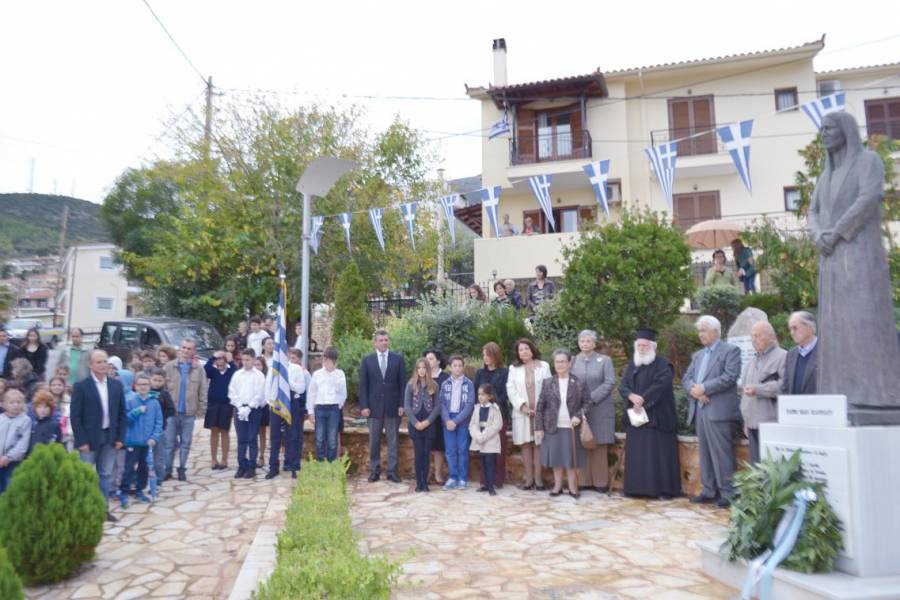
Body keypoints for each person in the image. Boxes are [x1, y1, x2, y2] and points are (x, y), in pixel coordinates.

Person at [683, 316, 741, 508]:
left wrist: (704, 388)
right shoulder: (698, 355)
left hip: (719, 411)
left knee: (722, 453)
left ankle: (728, 493)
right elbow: (686, 378)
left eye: (704, 330)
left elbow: (730, 377)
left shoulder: (730, 351)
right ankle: (709, 490)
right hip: (700, 409)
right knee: (705, 452)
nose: (700, 334)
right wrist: (695, 391)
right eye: (699, 331)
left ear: (716, 331)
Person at [619, 329, 682, 499]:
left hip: (658, 417)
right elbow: (623, 385)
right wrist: (631, 396)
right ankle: (635, 489)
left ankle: (663, 491)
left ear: (653, 347)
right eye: (639, 345)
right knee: (638, 454)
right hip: (636, 415)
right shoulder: (633, 365)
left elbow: (661, 385)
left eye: (645, 345)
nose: (641, 348)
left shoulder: (663, 365)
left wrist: (643, 399)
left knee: (658, 455)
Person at [71, 350, 127, 522]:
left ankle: (103, 510)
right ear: (90, 365)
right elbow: (75, 416)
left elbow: (121, 414)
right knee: (86, 475)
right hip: (88, 439)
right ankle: (85, 511)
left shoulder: (116, 385)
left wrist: (120, 438)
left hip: (109, 437)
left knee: (106, 474)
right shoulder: (81, 386)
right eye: (99, 362)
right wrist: (81, 441)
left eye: (105, 361)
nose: (103, 365)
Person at [534, 349, 586, 498]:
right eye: (557, 362)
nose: (560, 364)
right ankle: (557, 486)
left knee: (571, 458)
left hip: (572, 427)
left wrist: (578, 416)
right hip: (552, 426)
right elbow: (540, 406)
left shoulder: (579, 382)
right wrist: (539, 427)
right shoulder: (548, 382)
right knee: (556, 458)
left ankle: (572, 487)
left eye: (563, 361)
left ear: (569, 363)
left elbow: (587, 403)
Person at [570, 330, 616, 493]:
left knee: (598, 445)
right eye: (582, 341)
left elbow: (609, 382)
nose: (585, 344)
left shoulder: (605, 360)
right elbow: (570, 381)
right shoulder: (574, 360)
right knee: (583, 442)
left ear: (595, 344)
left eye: (588, 341)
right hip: (580, 408)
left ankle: (600, 482)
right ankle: (584, 481)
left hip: (599, 407)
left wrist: (591, 398)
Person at [359, 330, 406, 483]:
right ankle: (375, 471)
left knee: (393, 441)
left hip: (393, 407)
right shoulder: (367, 360)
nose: (384, 342)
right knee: (374, 441)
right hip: (373, 409)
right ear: (375, 343)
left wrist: (402, 404)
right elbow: (363, 386)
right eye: (381, 340)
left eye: (386, 340)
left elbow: (402, 384)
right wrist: (364, 406)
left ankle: (392, 472)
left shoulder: (398, 359)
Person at [507, 338, 551, 490]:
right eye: (521, 350)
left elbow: (548, 387)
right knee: (525, 444)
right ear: (518, 353)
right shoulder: (513, 368)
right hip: (522, 413)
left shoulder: (543, 366)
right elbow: (510, 389)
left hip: (540, 412)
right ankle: (528, 479)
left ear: (532, 350)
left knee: (538, 444)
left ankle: (538, 480)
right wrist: (523, 406)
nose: (524, 352)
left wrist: (540, 408)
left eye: (526, 348)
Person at [740, 321, 786, 464]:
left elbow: (785, 386)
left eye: (758, 336)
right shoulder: (750, 363)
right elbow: (743, 395)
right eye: (752, 336)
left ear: (771, 336)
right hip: (752, 426)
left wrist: (759, 390)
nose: (754, 340)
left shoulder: (783, 357)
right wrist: (746, 421)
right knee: (756, 468)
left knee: (772, 469)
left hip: (772, 425)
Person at [163, 339, 208, 482]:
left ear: (193, 351)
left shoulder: (198, 369)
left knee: (185, 443)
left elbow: (203, 389)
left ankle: (182, 468)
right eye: (183, 347)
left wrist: (202, 408)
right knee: (169, 443)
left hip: (189, 413)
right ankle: (167, 470)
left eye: (189, 348)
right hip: (171, 413)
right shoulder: (169, 367)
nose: (185, 351)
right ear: (179, 349)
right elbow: (162, 389)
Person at [119, 374, 163, 505]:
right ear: (135, 386)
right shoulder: (130, 400)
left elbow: (159, 422)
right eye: (140, 384)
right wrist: (136, 411)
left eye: (145, 384)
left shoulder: (154, 403)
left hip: (147, 443)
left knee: (143, 469)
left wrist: (154, 437)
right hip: (132, 441)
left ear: (149, 386)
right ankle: (124, 491)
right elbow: (125, 420)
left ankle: (139, 490)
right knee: (128, 468)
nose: (143, 387)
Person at [473, 342, 510, 489]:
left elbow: (505, 394)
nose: (485, 358)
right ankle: (485, 482)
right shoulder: (480, 373)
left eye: (488, 355)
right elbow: (476, 393)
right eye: (484, 355)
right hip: (482, 414)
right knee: (484, 449)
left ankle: (497, 481)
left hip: (499, 414)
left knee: (498, 449)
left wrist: (491, 403)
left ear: (495, 355)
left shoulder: (504, 372)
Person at [439, 355, 475, 490]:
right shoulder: (445, 384)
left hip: (462, 420)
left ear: (463, 367)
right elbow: (441, 403)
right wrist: (447, 420)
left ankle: (462, 478)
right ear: (450, 367)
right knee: (450, 450)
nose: (457, 368)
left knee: (462, 450)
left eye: (460, 365)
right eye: (455, 365)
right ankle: (452, 477)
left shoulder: (469, 384)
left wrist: (456, 420)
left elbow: (470, 404)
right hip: (448, 420)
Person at [228, 348, 266, 479]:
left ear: (253, 359)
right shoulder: (237, 375)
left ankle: (251, 466)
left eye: (248, 360)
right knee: (241, 439)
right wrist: (239, 406)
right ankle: (242, 465)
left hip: (253, 409)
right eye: (243, 360)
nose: (245, 362)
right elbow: (232, 392)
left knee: (252, 438)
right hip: (240, 409)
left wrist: (249, 407)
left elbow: (260, 394)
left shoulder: (259, 375)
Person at [404, 358, 440, 492]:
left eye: (424, 368)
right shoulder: (410, 385)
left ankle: (425, 482)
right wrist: (415, 423)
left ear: (428, 369)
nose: (421, 370)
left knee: (426, 454)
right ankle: (418, 482)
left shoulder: (434, 385)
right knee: (418, 453)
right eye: (419, 368)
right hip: (415, 423)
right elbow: (407, 406)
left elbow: (437, 407)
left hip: (429, 423)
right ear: (416, 370)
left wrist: (427, 422)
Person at [307, 347, 346, 463]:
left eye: (330, 359)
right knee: (319, 438)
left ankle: (331, 463)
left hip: (333, 408)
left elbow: (342, 392)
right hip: (320, 408)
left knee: (332, 438)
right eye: (325, 358)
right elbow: (312, 393)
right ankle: (320, 462)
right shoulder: (317, 374)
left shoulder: (339, 374)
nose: (326, 361)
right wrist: (310, 411)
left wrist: (338, 406)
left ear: (334, 361)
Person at [276, 348, 310, 477]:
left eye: (294, 358)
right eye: (290, 358)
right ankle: (287, 461)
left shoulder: (303, 372)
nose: (292, 360)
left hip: (298, 405)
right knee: (287, 434)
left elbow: (306, 390)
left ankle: (295, 462)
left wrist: (306, 409)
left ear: (299, 359)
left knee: (296, 435)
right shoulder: (284, 369)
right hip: (285, 404)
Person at [204, 350, 237, 471]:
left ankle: (224, 459)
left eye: (222, 359)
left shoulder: (231, 371)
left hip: (226, 405)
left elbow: (236, 372)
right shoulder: (212, 371)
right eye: (217, 360)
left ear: (225, 361)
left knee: (224, 431)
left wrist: (231, 361)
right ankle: (213, 459)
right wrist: (212, 357)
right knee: (214, 431)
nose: (219, 362)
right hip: (213, 405)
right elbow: (205, 370)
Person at [469, 383, 503, 496]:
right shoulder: (476, 408)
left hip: (490, 442)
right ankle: (485, 484)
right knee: (483, 464)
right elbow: (472, 424)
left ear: (490, 396)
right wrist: (477, 435)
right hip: (480, 442)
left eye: (483, 394)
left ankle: (491, 486)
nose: (480, 397)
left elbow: (497, 425)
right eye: (479, 394)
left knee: (490, 464)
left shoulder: (495, 409)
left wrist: (484, 436)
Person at [423, 348, 448, 485]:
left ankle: (438, 474)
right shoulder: (422, 375)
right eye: (426, 359)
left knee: (439, 446)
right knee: (425, 447)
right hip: (424, 418)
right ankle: (425, 474)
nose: (428, 361)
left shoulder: (446, 378)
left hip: (439, 417)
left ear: (438, 361)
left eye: (431, 359)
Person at [0, 389, 31, 492]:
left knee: (10, 488)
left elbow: (23, 443)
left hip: (13, 462)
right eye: (12, 402)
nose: (15, 405)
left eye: (19, 402)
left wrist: (8, 457)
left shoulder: (25, 420)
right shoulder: (1, 419)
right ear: (4, 404)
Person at [782, 311, 818, 395]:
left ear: (809, 328)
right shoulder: (791, 355)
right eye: (790, 329)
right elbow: (786, 387)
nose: (791, 333)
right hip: (794, 403)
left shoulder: (824, 351)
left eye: (795, 328)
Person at [150, 368, 175, 483]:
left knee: (159, 455)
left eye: (159, 381)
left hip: (160, 428)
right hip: (146, 429)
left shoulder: (165, 394)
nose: (156, 383)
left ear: (164, 381)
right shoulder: (146, 392)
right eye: (154, 380)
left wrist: (160, 416)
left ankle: (159, 478)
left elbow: (171, 410)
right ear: (150, 379)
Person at [49, 376, 73, 450]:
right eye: (54, 385)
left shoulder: (68, 399)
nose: (56, 387)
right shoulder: (47, 399)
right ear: (50, 386)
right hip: (50, 430)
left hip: (65, 432)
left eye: (59, 385)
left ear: (64, 386)